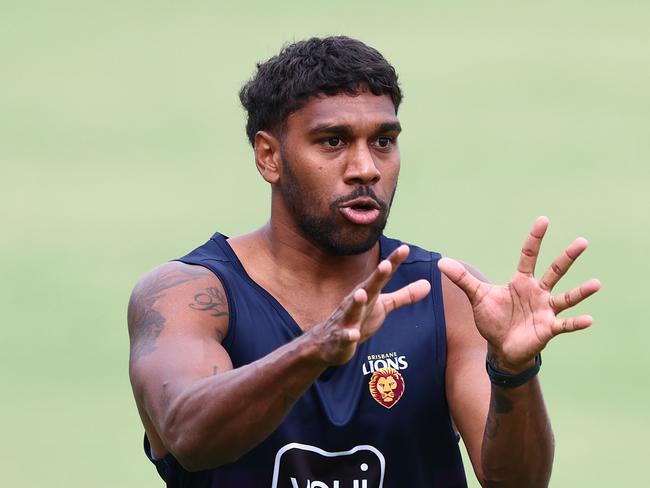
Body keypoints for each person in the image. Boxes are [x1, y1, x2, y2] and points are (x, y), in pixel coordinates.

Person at [127, 36, 600, 487]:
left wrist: (514, 372)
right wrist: (314, 349)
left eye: (383, 141)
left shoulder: (450, 295)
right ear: (269, 156)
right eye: (333, 141)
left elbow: (517, 482)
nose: (366, 168)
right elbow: (188, 435)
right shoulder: (187, 294)